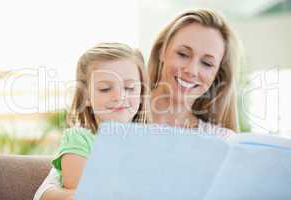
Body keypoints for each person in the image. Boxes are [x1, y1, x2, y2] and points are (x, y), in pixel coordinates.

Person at [34, 8, 242, 199]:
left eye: (207, 63)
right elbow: (49, 192)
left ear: (217, 73)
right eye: (183, 54)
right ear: (163, 51)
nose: (192, 70)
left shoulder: (222, 142)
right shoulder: (118, 121)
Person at [33, 42, 150, 200]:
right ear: (86, 97)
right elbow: (82, 193)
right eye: (105, 89)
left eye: (130, 88)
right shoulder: (79, 138)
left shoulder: (149, 142)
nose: (119, 96)